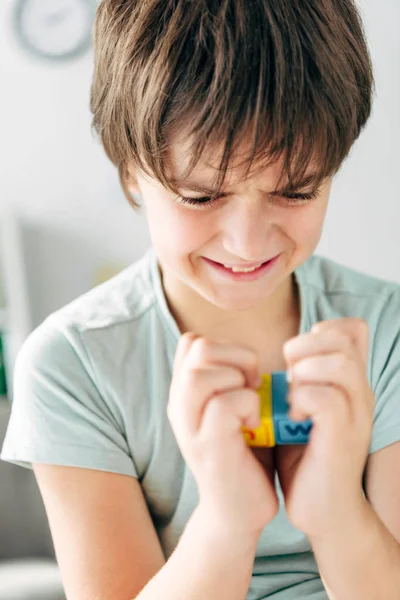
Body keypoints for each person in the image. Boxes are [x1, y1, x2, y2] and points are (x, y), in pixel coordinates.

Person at [2, 1, 400, 598]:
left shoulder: (383, 330)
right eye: (200, 197)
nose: (247, 244)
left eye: (295, 191)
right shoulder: (72, 364)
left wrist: (337, 510)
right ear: (131, 172)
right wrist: (227, 519)